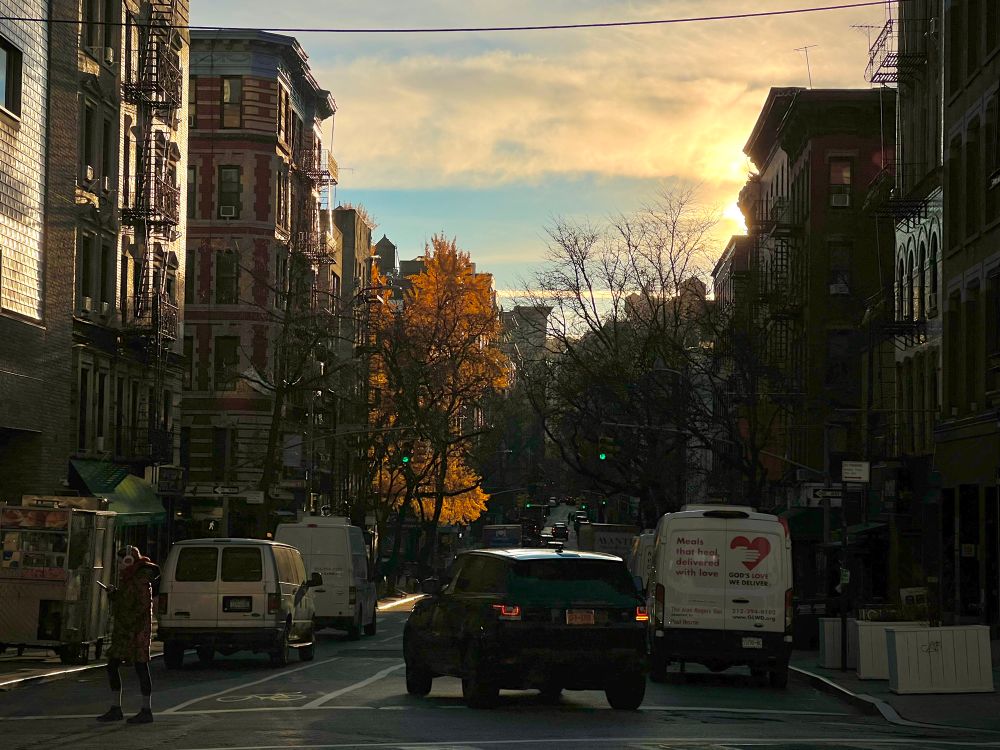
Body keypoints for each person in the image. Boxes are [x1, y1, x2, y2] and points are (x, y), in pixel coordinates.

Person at [96, 545, 160, 724]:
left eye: (121, 561)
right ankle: (120, 708)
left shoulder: (139, 580)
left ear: (129, 560)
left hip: (134, 632)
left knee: (140, 667)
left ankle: (144, 710)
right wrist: (114, 594)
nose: (119, 565)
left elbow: (140, 607)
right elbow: (126, 602)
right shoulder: (131, 578)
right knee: (117, 666)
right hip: (127, 631)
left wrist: (128, 623)